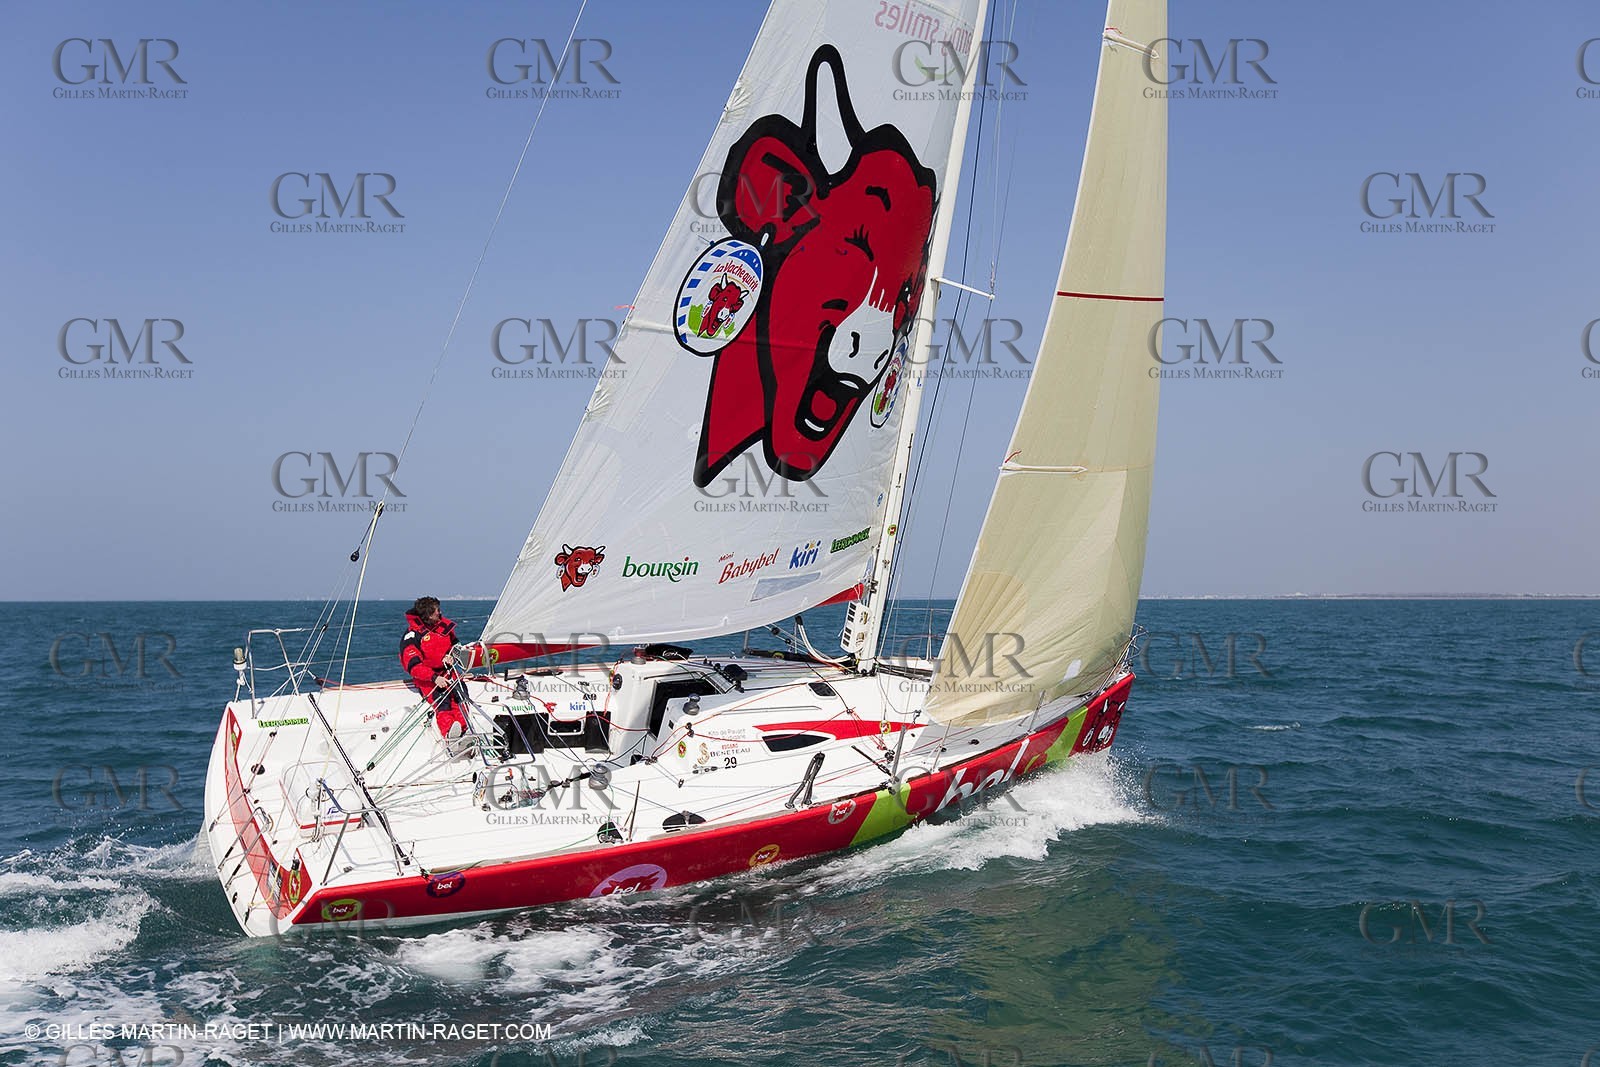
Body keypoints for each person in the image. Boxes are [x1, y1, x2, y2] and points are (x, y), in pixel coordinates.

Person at [400, 596, 469, 739]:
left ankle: (463, 729)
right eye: (436, 611)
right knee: (442, 701)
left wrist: (452, 655)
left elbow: (456, 645)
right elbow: (413, 666)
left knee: (461, 695)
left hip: (448, 672)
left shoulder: (444, 627)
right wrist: (434, 678)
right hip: (428, 677)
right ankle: (450, 734)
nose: (440, 613)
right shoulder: (412, 636)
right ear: (428, 615)